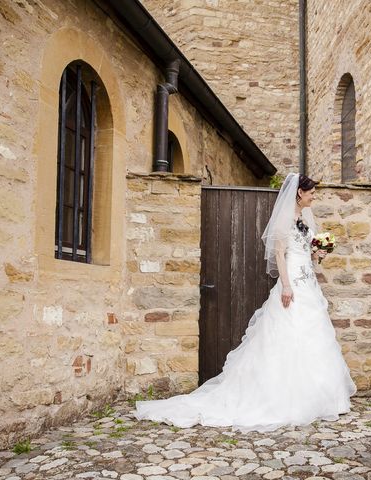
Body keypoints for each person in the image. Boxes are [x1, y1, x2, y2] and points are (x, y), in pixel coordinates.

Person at [135, 173, 356, 431]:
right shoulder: (285, 219)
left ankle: (321, 399)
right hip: (293, 282)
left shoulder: (306, 219)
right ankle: (282, 399)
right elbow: (280, 255)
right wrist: (286, 285)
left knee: (314, 336)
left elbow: (307, 254)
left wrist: (318, 253)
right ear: (299, 193)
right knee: (287, 334)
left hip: (309, 284)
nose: (313, 196)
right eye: (311, 193)